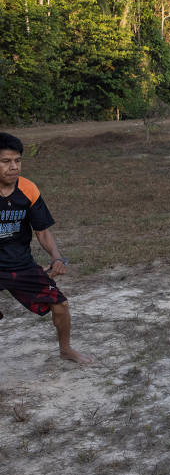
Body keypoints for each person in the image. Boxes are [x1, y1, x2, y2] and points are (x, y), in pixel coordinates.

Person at [0, 133, 91, 364]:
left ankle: (66, 349)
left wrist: (57, 257)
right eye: (6, 161)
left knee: (60, 304)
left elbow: (42, 231)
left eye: (17, 161)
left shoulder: (28, 189)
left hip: (22, 266)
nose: (13, 167)